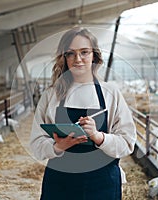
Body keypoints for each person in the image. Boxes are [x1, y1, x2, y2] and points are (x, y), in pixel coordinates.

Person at [30, 27, 136, 200]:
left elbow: (127, 142)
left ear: (94, 55)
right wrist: (58, 147)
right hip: (61, 182)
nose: (78, 59)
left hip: (103, 183)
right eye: (71, 53)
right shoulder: (52, 95)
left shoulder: (110, 93)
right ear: (64, 57)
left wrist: (98, 136)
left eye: (84, 52)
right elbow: (36, 143)